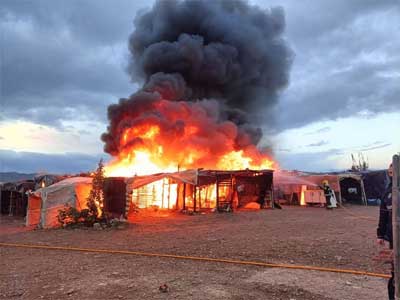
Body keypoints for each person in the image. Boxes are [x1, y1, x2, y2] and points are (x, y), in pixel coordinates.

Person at [377, 163, 394, 300]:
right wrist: (380, 234)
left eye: (394, 169)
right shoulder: (388, 192)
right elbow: (383, 214)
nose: (391, 171)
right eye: (390, 170)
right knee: (395, 272)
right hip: (394, 238)